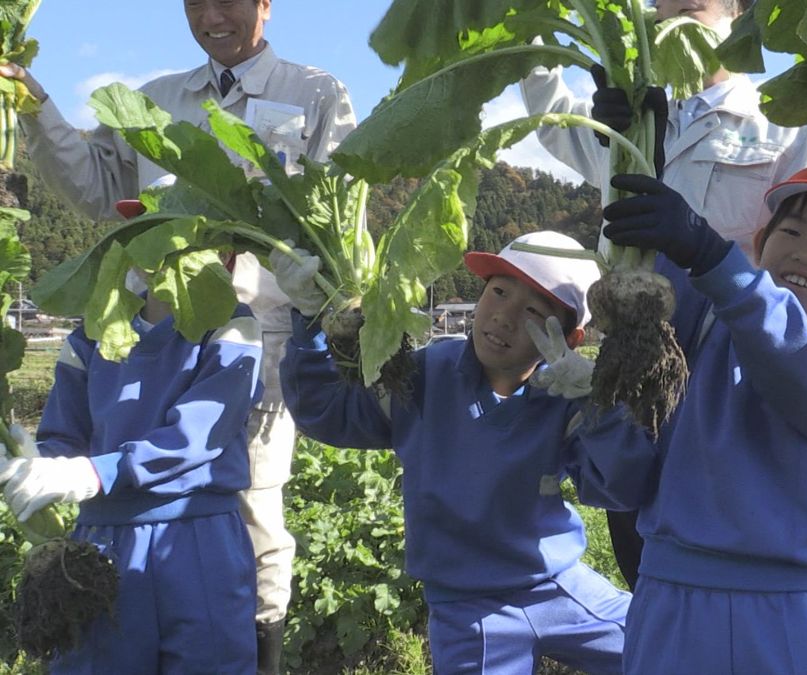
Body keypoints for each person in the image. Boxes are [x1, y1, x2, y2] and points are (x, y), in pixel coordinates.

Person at [0, 2, 356, 668]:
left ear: (265, 6)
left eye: (230, 2)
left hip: (258, 338)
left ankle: (249, 654)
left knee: (251, 517)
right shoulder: (155, 100)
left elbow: (329, 223)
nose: (213, 16)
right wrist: (35, 104)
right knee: (131, 487)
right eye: (197, 2)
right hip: (149, 326)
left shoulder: (312, 94)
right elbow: (96, 186)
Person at [520, 0, 807, 587]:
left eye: (696, 6)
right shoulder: (631, 119)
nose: (675, 13)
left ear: (739, 13)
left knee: (724, 559)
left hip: (728, 393)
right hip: (635, 382)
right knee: (646, 568)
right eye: (662, 6)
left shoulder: (779, 124)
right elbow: (553, 116)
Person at [274, 231, 655, 675]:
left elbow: (618, 486)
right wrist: (308, 323)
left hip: (557, 585)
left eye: (534, 310)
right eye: (498, 292)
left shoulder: (565, 394)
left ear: (570, 339)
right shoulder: (423, 375)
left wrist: (600, 403)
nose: (505, 317)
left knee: (666, 646)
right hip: (467, 609)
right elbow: (328, 414)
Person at [585, 161, 807, 673]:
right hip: (670, 600)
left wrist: (710, 253)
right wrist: (642, 154)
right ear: (761, 241)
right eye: (791, 231)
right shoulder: (700, 318)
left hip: (786, 605)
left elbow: (800, 365)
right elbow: (649, 280)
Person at [0, 255, 264, 673]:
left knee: (210, 661)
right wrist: (35, 462)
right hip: (100, 540)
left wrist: (95, 472)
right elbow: (64, 433)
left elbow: (197, 435)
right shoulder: (91, 333)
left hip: (198, 535)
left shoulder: (231, 323)